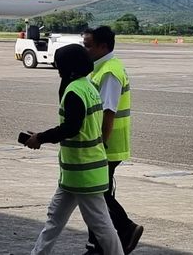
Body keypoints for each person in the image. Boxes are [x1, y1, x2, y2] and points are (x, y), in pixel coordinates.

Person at [25, 44, 123, 255]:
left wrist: (40, 138)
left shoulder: (74, 91)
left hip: (84, 172)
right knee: (54, 218)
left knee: (101, 225)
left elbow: (71, 128)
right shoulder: (87, 86)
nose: (57, 69)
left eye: (59, 65)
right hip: (74, 173)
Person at [82, 27, 143, 254]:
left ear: (103, 46)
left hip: (107, 145)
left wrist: (101, 143)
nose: (85, 49)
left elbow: (109, 112)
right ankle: (99, 243)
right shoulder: (103, 68)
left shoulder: (109, 72)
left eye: (88, 45)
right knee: (98, 194)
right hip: (106, 144)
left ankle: (126, 228)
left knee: (96, 195)